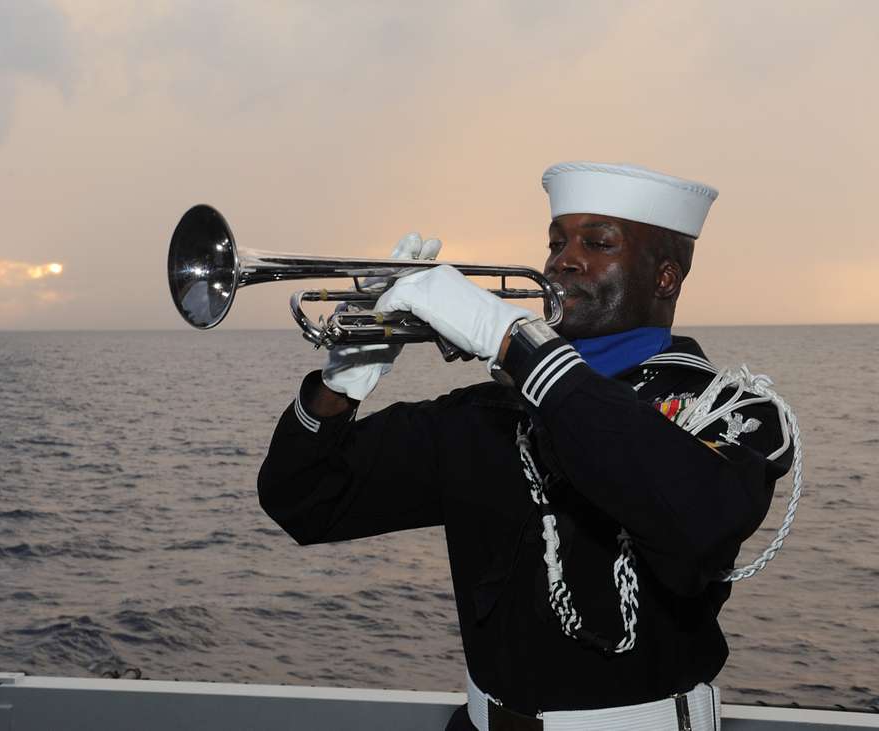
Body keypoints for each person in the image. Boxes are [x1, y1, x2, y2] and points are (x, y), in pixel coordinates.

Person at [258, 162, 793, 731]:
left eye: (598, 242)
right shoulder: (484, 414)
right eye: (557, 242)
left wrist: (517, 343)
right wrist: (338, 388)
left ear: (665, 279)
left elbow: (699, 517)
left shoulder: (728, 411)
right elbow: (305, 501)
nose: (564, 260)